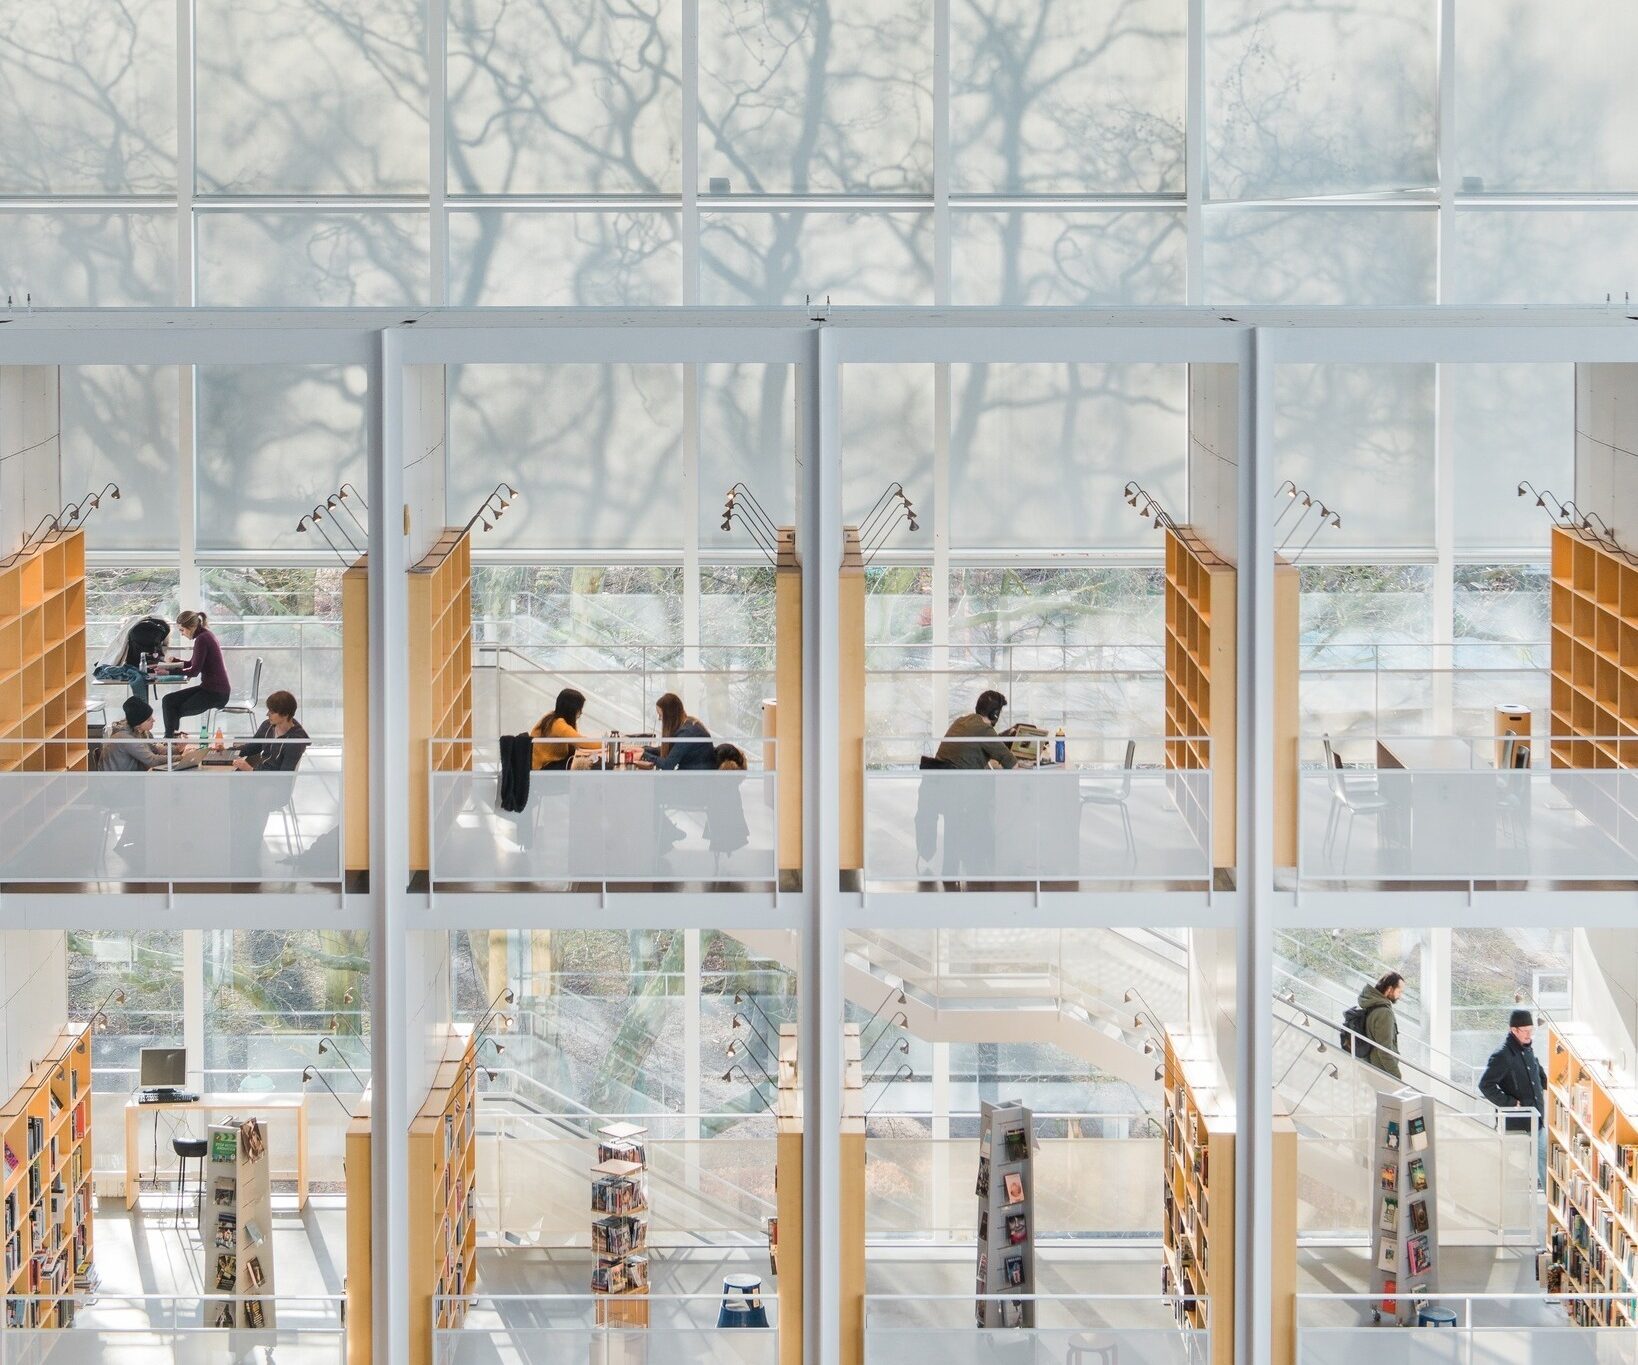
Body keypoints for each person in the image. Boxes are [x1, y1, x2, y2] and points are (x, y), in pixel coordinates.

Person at [1480, 1008, 1548, 1189]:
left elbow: (1536, 1073)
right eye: (1525, 1031)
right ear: (1513, 1030)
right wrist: (1512, 1104)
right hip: (1517, 1126)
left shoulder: (1527, 1049)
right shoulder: (1503, 1055)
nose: (1529, 1034)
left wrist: (1547, 1083)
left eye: (1531, 1030)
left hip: (1537, 1122)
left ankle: (1552, 1204)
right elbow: (1485, 1085)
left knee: (1545, 1161)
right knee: (1516, 1171)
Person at [101, 697, 168, 854]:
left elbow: (155, 749)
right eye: (149, 719)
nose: (154, 720)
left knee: (162, 793)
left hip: (132, 784)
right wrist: (181, 758)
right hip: (118, 791)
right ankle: (155, 842)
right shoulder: (125, 739)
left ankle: (142, 837)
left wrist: (177, 749)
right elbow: (151, 760)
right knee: (162, 796)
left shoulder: (140, 732)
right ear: (139, 722)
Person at [159, 610, 231, 739]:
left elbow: (194, 671)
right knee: (168, 701)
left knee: (172, 708)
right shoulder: (205, 635)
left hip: (216, 694)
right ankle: (171, 741)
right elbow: (193, 663)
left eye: (182, 630)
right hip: (210, 688)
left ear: (191, 627)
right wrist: (174, 662)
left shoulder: (202, 639)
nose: (182, 634)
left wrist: (168, 671)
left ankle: (169, 742)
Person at [92, 614, 170, 705]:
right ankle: (145, 712)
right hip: (155, 667)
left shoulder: (131, 627)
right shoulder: (164, 626)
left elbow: (119, 648)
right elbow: (165, 645)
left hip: (135, 665)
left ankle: (143, 711)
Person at [935, 690, 1018, 770]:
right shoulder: (984, 729)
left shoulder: (960, 721)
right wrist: (1022, 762)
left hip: (937, 779)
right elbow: (1013, 766)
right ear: (995, 714)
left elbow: (982, 743)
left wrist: (1005, 736)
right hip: (959, 782)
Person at [232, 691, 310, 773]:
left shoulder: (295, 742)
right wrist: (228, 751)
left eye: (272, 712)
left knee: (229, 778)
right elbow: (252, 747)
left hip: (270, 783)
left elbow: (284, 777)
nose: (267, 714)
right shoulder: (267, 725)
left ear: (285, 714)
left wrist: (250, 770)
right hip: (260, 774)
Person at [529, 688, 602, 770]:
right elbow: (580, 742)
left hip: (550, 764)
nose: (581, 712)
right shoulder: (558, 724)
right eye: (579, 709)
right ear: (571, 709)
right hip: (544, 768)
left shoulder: (553, 717)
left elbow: (577, 739)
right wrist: (607, 744)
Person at [639, 693, 713, 771]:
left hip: (697, 780)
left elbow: (667, 765)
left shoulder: (687, 733)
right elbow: (673, 751)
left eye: (660, 715)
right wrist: (643, 750)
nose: (660, 719)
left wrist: (643, 754)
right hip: (694, 775)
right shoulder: (687, 724)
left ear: (669, 716)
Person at [1352, 972, 1405, 1080]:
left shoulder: (1371, 1004)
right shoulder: (1384, 1013)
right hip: (1382, 1073)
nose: (1400, 996)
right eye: (1399, 991)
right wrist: (1397, 1077)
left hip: (1370, 1068)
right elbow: (1385, 1050)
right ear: (1390, 989)